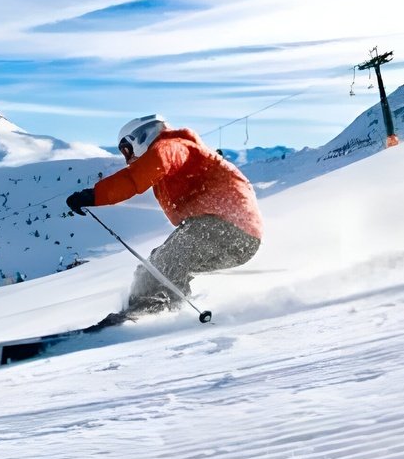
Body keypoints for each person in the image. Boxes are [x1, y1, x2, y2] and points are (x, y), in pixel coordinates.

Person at [66, 115, 262, 323]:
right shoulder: (174, 157)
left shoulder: (171, 146)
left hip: (230, 230)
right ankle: (135, 316)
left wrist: (94, 195)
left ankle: (155, 313)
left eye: (127, 149)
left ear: (141, 137)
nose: (128, 158)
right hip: (224, 236)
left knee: (169, 260)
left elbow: (133, 179)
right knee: (148, 270)